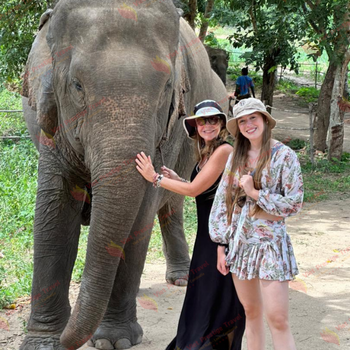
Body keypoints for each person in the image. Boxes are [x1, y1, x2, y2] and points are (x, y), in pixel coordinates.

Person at [135, 100, 245, 350]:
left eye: (214, 120)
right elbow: (205, 192)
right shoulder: (206, 153)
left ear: (221, 124)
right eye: (203, 120)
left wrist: (155, 177)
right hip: (206, 236)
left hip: (220, 237)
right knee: (203, 294)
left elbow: (195, 189)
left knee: (215, 295)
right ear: (195, 125)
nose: (208, 125)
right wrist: (179, 179)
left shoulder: (224, 151)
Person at [209, 98, 304, 350]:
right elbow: (223, 200)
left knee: (278, 318)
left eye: (253, 118)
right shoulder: (236, 157)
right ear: (238, 126)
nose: (249, 124)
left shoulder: (284, 156)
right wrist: (221, 243)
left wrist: (255, 194)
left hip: (271, 245)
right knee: (250, 313)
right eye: (242, 121)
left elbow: (294, 203)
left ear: (264, 119)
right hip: (241, 245)